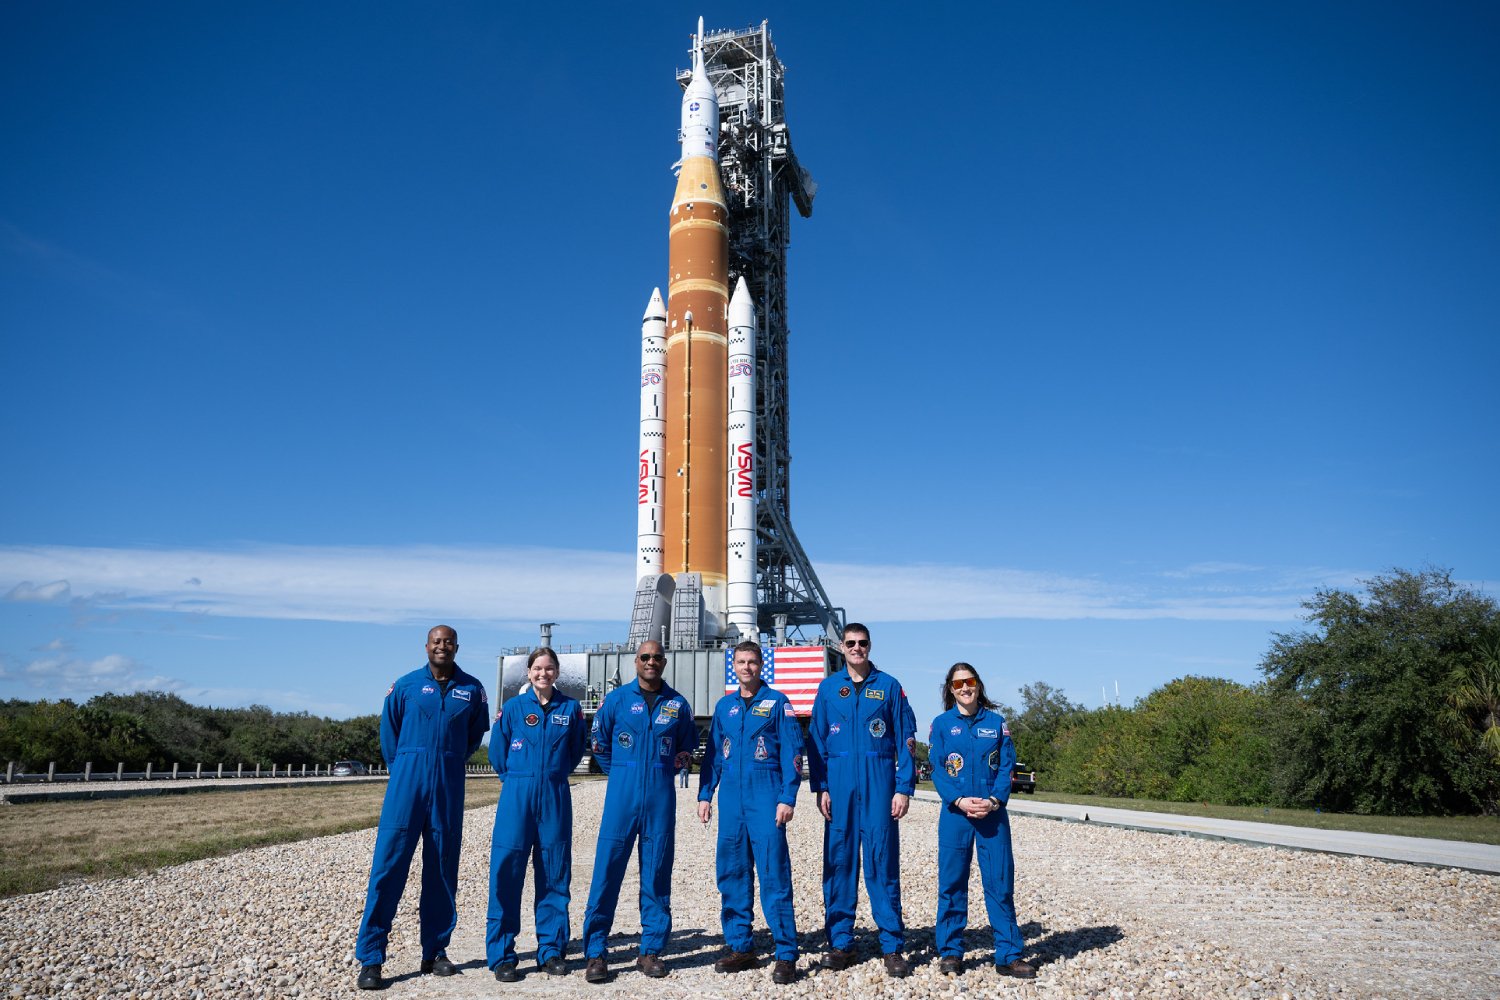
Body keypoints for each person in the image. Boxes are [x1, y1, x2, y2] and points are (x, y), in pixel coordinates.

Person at [355, 625, 489, 991]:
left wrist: (448, 761)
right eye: (436, 641)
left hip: (448, 784)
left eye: (448, 641)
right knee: (388, 869)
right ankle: (371, 958)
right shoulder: (405, 685)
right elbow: (389, 733)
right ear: (427, 646)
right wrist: (405, 772)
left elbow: (474, 735)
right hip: (406, 786)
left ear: (457, 647)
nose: (442, 646)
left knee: (443, 870)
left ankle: (435, 950)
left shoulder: (473, 689)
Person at [580, 640, 699, 983]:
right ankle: (596, 952)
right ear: (636, 662)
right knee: (606, 872)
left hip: (660, 797)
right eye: (645, 657)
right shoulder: (616, 701)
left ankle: (650, 950)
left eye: (657, 657)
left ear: (664, 662)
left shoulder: (677, 705)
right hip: (622, 797)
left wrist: (661, 771)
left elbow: (686, 747)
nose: (651, 662)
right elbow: (599, 743)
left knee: (657, 873)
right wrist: (621, 772)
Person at [807, 623, 917, 978]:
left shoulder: (889, 687)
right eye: (851, 643)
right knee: (839, 863)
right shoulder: (828, 689)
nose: (857, 648)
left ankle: (892, 945)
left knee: (882, 863)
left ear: (870, 646)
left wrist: (903, 788)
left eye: (862, 643)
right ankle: (840, 942)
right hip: (838, 788)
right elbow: (816, 742)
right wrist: (821, 787)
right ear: (842, 646)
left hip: (879, 785)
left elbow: (906, 741)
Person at [696, 641, 803, 985]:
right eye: (741, 662)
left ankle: (786, 952)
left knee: (774, 873)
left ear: (761, 666)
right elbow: (713, 755)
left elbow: (792, 752)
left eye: (752, 662)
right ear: (734, 667)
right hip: (730, 799)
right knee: (732, 873)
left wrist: (787, 797)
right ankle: (741, 946)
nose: (747, 668)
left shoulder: (777, 703)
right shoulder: (724, 706)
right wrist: (704, 795)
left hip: (766, 794)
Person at [485, 647, 588, 982]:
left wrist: (550, 775)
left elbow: (574, 752)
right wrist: (518, 779)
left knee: (555, 873)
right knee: (506, 872)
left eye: (549, 668)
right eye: (537, 668)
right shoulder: (512, 708)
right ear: (528, 672)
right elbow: (498, 753)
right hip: (517, 794)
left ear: (557, 673)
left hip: (555, 795)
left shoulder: (570, 709)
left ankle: (552, 950)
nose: (543, 674)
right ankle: (502, 954)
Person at [928, 662, 1035, 979]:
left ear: (979, 684)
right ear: (950, 689)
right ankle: (950, 951)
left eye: (970, 681)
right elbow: (936, 767)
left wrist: (993, 800)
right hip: (955, 815)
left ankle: (1009, 954)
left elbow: (1007, 767)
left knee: (1000, 884)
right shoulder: (942, 724)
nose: (965, 687)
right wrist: (959, 800)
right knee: (951, 884)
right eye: (958, 683)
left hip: (992, 815)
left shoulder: (997, 724)